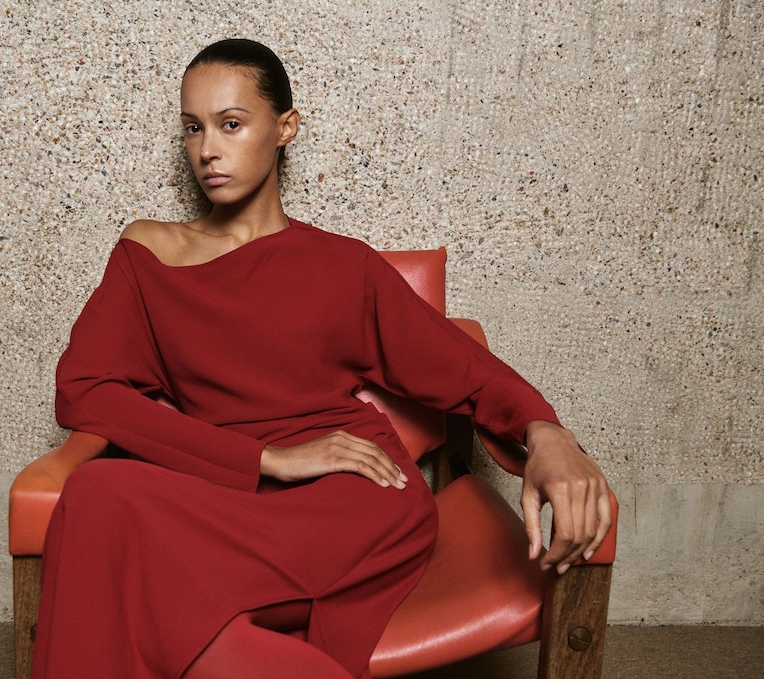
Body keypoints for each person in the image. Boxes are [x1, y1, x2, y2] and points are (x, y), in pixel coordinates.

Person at [31, 38, 613, 679]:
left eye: (231, 124)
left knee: (130, 556)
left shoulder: (343, 266)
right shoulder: (149, 252)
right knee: (98, 493)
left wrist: (546, 430)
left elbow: (462, 369)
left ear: (285, 128)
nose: (207, 150)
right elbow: (84, 391)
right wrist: (266, 459)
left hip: (354, 495)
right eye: (192, 128)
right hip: (227, 488)